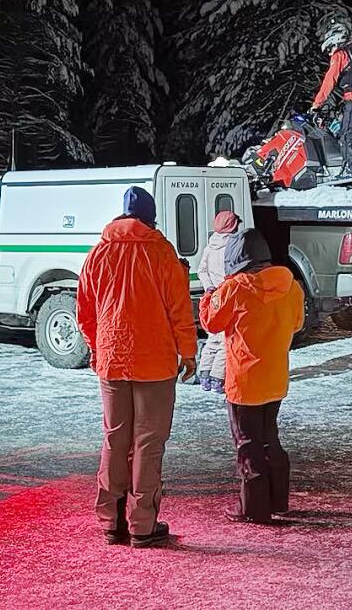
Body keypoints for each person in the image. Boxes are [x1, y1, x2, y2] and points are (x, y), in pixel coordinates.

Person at [77, 186, 197, 549]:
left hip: (112, 360)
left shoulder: (98, 253)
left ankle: (111, 523)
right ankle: (142, 526)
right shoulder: (162, 252)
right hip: (155, 363)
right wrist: (188, 352)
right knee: (148, 443)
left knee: (115, 438)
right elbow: (179, 308)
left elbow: (85, 311)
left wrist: (98, 347)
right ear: (150, 218)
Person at [200, 229, 304, 524]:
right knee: (270, 438)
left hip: (244, 380)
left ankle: (254, 508)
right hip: (276, 377)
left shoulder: (235, 288)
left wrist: (209, 297)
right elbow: (297, 324)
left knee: (247, 444)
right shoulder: (291, 286)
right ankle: (278, 500)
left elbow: (211, 323)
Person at [309, 19, 352, 179]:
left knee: (346, 135)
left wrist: (317, 104)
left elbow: (330, 80)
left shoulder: (341, 54)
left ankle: (350, 171)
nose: (330, 52)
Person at [196, 211, 242, 394]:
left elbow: (202, 270)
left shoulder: (211, 245)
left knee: (213, 337)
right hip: (228, 295)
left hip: (213, 297)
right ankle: (217, 378)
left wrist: (209, 287)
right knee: (226, 339)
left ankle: (204, 375)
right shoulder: (233, 246)